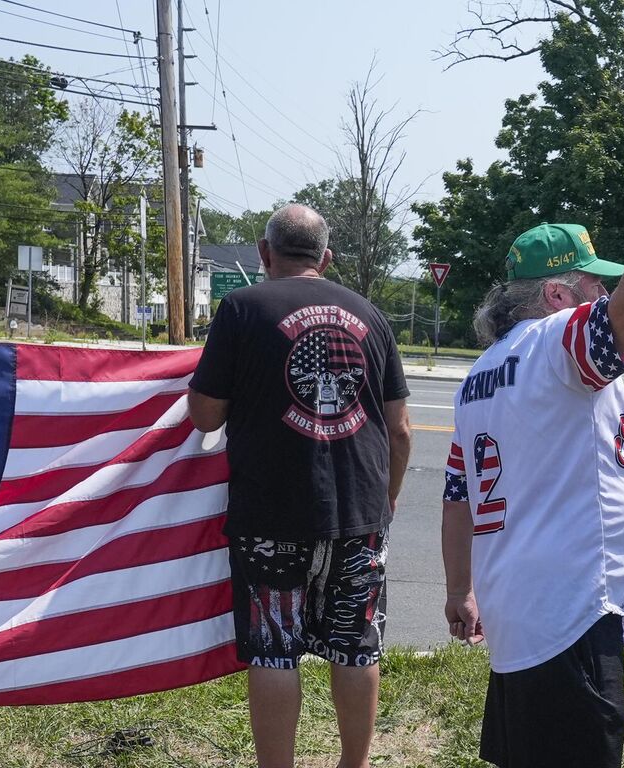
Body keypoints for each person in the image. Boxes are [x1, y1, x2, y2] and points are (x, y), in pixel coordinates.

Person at [440, 117, 624, 768]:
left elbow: (457, 497)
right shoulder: (559, 342)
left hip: (524, 612)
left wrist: (460, 590)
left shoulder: (482, 372)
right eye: (596, 284)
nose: (607, 295)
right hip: (566, 612)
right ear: (559, 293)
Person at [187, 204, 411, 768]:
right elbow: (401, 429)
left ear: (265, 253)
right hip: (358, 511)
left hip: (271, 514)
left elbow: (205, 416)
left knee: (274, 653)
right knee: (357, 647)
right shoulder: (370, 314)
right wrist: (385, 501)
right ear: (326, 258)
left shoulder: (240, 308)